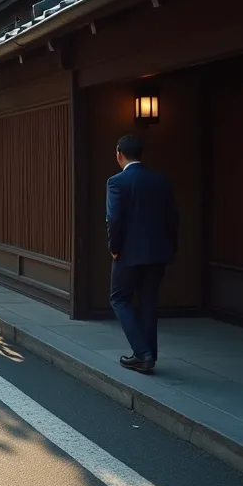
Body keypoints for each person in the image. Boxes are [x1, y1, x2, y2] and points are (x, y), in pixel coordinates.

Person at [106, 135, 178, 374]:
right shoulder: (160, 180)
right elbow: (173, 218)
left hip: (127, 252)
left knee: (119, 299)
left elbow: (114, 219)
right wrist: (170, 247)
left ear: (119, 154)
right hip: (158, 252)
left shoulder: (116, 182)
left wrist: (114, 247)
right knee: (148, 301)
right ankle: (149, 355)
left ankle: (142, 353)